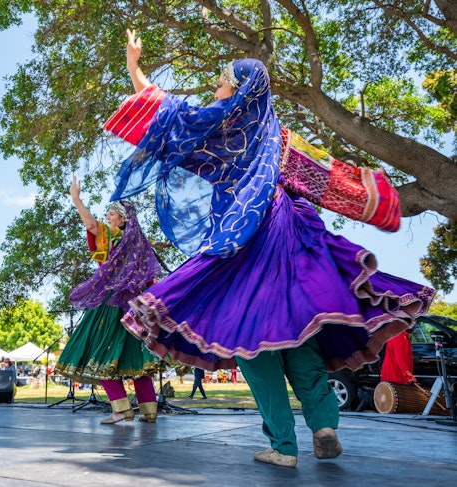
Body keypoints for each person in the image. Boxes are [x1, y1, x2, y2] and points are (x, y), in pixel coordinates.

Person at [104, 29, 434, 466]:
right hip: (291, 238)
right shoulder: (283, 137)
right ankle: (324, 424)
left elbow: (166, 113)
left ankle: (282, 447)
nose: (217, 88)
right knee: (298, 336)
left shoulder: (222, 127)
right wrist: (378, 203)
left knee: (252, 343)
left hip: (244, 246)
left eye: (222, 82)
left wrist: (134, 66)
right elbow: (329, 182)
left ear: (238, 89)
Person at [54, 176, 172, 424]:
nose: (107, 218)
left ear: (121, 219)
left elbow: (91, 225)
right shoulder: (139, 244)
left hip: (110, 303)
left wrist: (76, 199)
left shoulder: (113, 235)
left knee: (100, 350)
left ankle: (121, 409)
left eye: (110, 214)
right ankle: (149, 411)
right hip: (135, 304)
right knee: (136, 356)